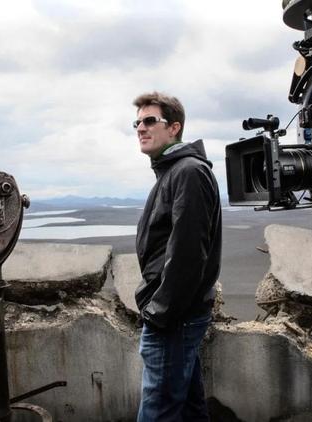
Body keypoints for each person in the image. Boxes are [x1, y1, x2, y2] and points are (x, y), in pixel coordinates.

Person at [132, 91, 222, 422]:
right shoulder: (174, 171)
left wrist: (159, 312)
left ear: (174, 128)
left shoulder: (187, 172)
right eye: (137, 123)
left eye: (150, 120)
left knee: (158, 412)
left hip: (174, 318)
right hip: (177, 315)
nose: (141, 128)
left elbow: (188, 254)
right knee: (187, 408)